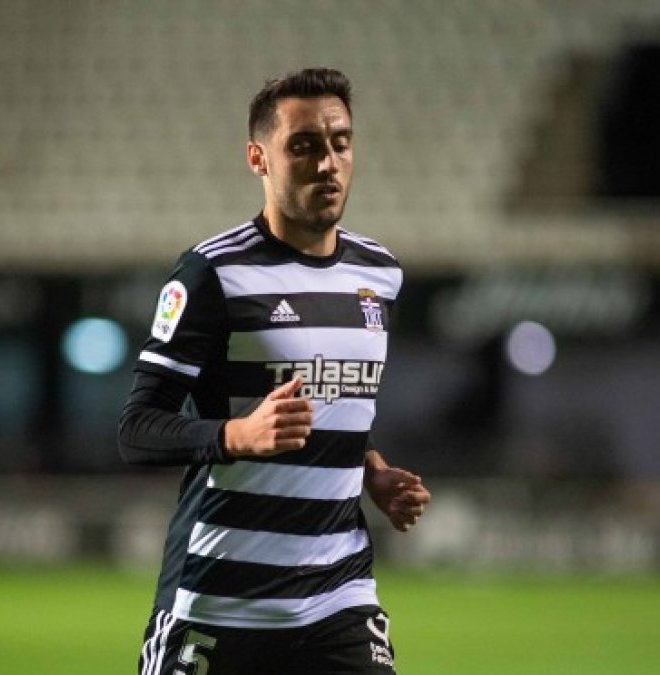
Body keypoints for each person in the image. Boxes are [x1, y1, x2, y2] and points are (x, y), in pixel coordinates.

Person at [118, 67, 431, 675]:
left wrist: (372, 471)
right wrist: (236, 435)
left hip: (337, 598)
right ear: (259, 158)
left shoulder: (379, 274)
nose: (328, 163)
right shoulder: (211, 274)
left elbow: (334, 406)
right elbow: (136, 427)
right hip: (219, 601)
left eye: (340, 143)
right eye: (305, 146)